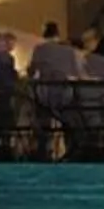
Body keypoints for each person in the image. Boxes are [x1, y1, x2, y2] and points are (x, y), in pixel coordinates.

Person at [27, 21, 83, 153]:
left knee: (43, 119)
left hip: (45, 90)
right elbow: (74, 72)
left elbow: (32, 70)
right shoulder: (68, 51)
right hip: (64, 90)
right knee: (67, 120)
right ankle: (71, 150)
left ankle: (43, 149)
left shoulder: (39, 49)